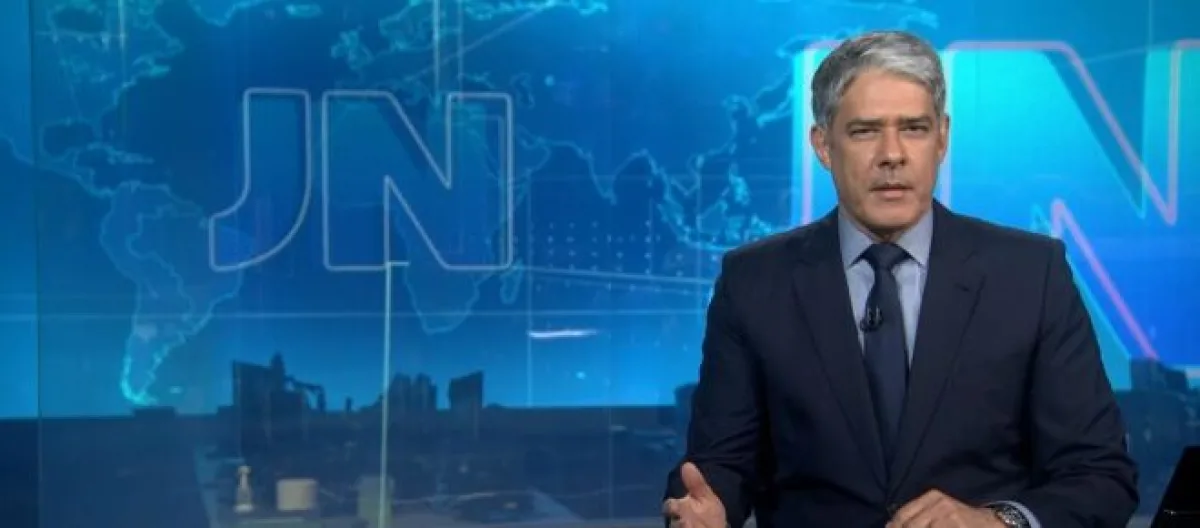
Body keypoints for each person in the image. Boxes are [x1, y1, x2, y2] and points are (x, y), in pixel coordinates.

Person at [662, 30, 1138, 528]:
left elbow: (1100, 476)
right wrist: (704, 511)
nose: (892, 154)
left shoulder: (1030, 275)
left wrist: (999, 522)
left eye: (913, 128)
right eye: (865, 131)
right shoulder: (754, 283)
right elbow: (718, 468)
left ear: (942, 138)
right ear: (823, 145)